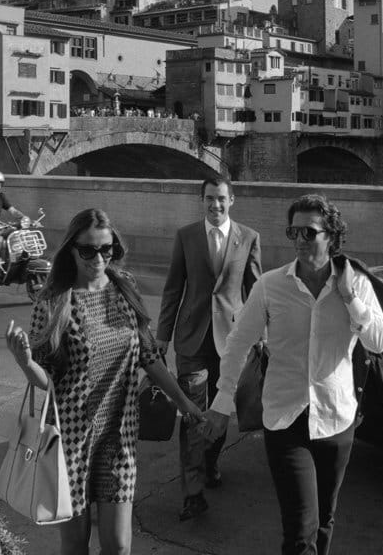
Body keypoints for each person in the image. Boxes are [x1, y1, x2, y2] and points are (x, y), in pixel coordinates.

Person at [5, 208, 205, 555]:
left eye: (106, 249)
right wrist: (25, 362)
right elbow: (46, 380)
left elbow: (148, 356)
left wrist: (184, 403)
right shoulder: (53, 301)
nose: (98, 259)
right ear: (71, 250)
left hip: (119, 433)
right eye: (88, 250)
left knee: (118, 546)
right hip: (70, 439)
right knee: (75, 544)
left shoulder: (124, 286)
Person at [204, 194, 383, 555]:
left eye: (310, 232)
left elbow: (380, 342)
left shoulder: (357, 285)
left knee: (324, 519)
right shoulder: (271, 285)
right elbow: (238, 342)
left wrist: (350, 298)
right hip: (285, 420)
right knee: (300, 529)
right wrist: (222, 402)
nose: (300, 240)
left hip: (336, 420)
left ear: (331, 236)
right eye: (294, 232)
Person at [156, 176, 262, 521]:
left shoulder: (249, 237)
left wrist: (262, 334)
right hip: (192, 339)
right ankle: (192, 492)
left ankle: (211, 463)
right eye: (209, 199)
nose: (215, 205)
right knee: (192, 412)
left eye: (221, 198)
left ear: (232, 200)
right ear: (201, 200)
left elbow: (256, 292)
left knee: (219, 411)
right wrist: (162, 335)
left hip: (232, 341)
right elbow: (173, 288)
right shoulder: (186, 236)